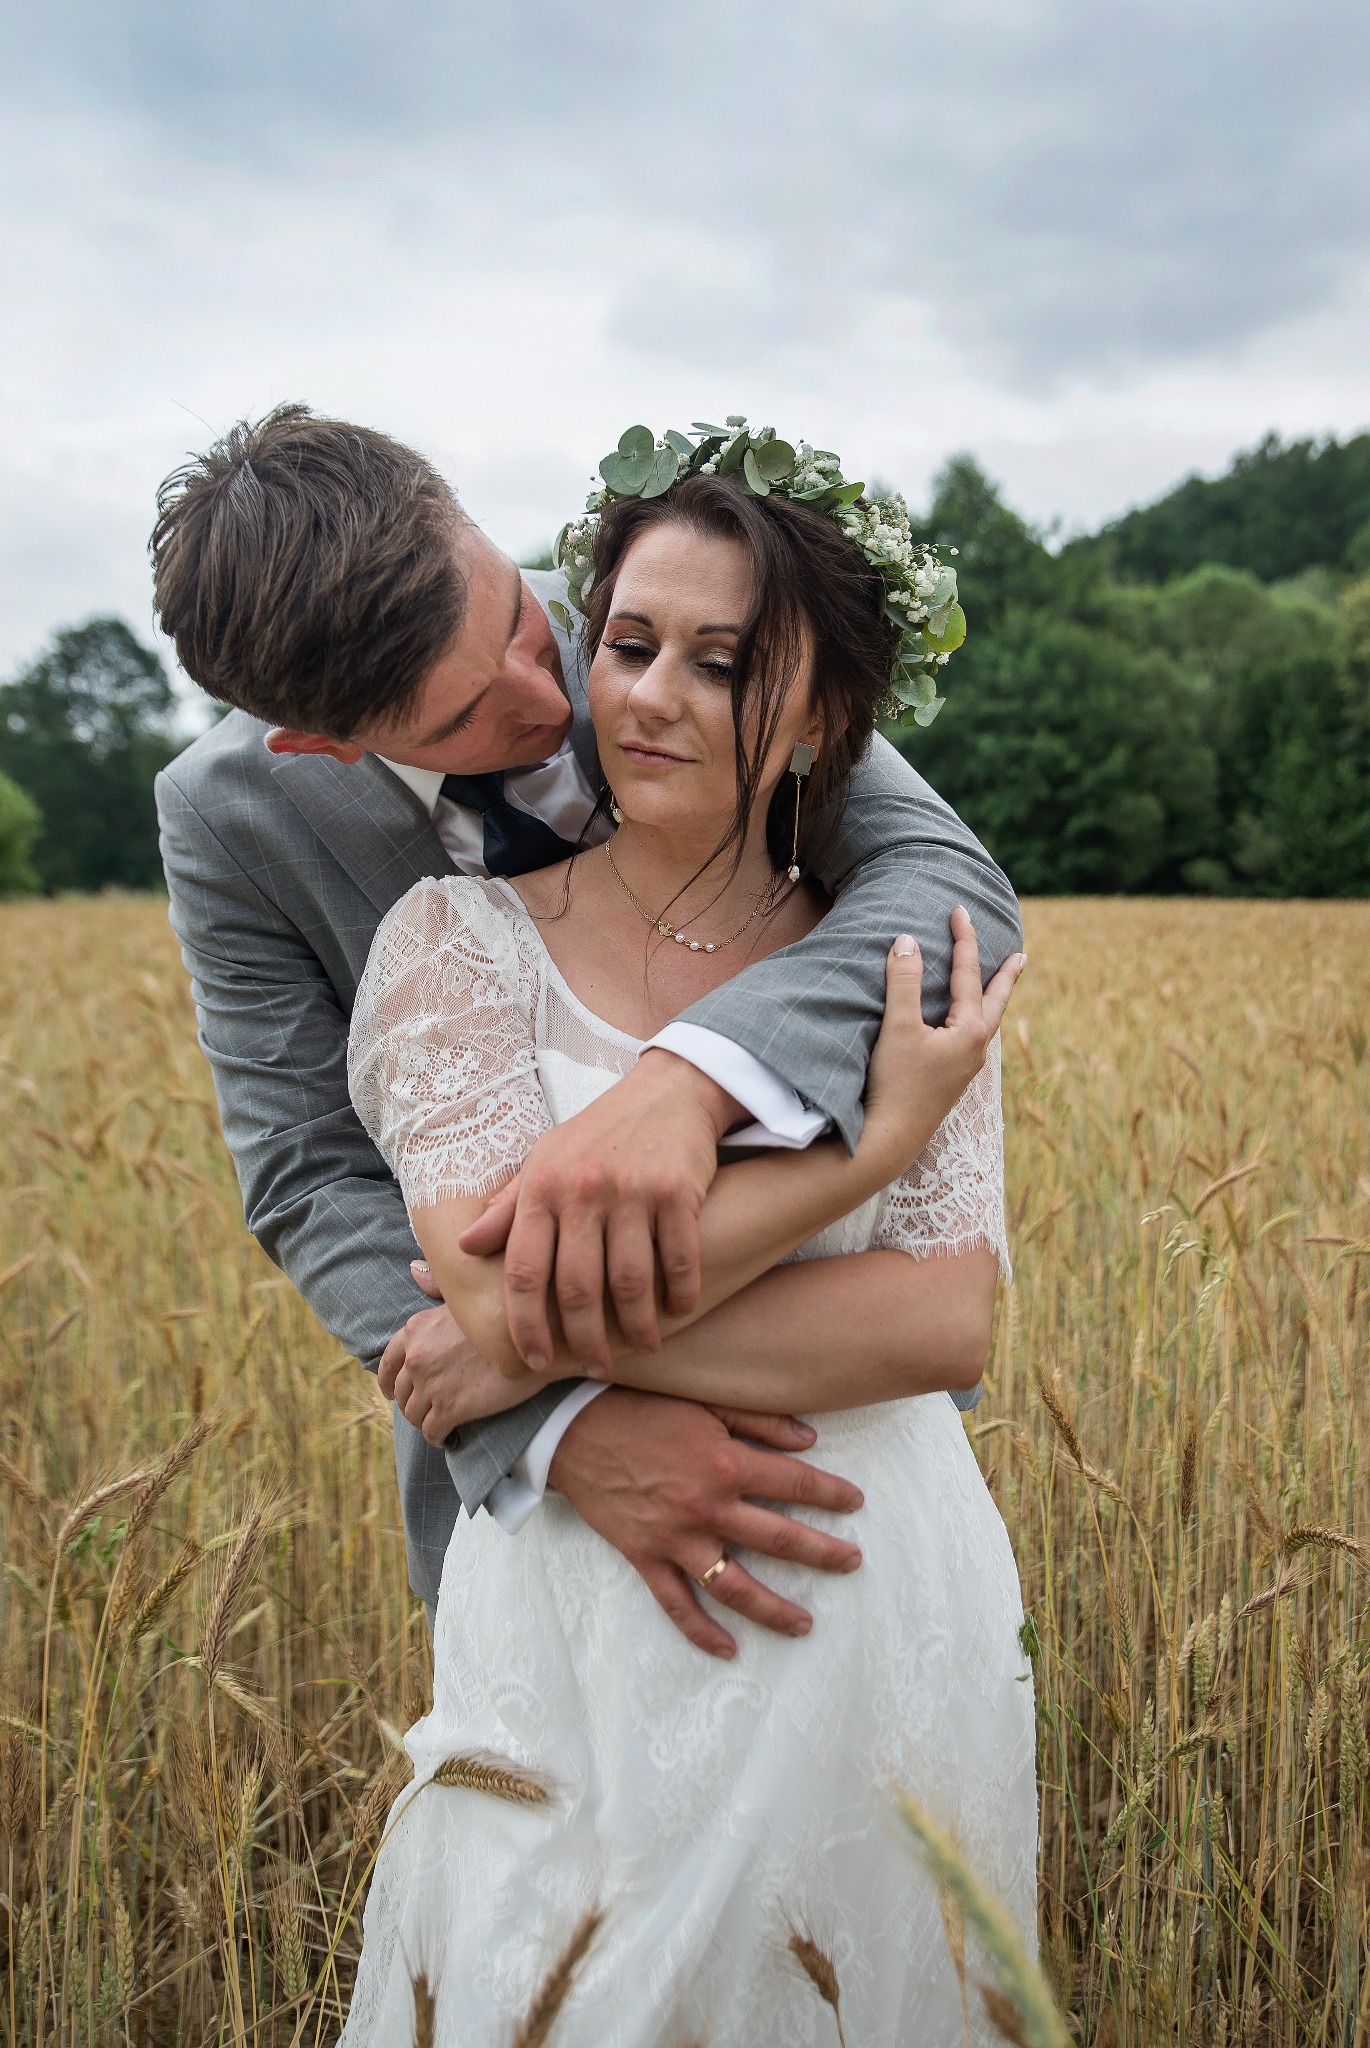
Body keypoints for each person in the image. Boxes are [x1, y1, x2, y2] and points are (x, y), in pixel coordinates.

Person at [340, 466, 1034, 2045]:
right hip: (572, 1615)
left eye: (720, 663)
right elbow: (488, 1284)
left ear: (821, 722)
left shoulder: (902, 965)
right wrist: (863, 1150)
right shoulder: (453, 947)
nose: (647, 696)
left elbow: (939, 1321)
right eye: (627, 641)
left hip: (870, 1594)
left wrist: (522, 1341)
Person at [152, 405, 1023, 1652]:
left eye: (516, 616)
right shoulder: (231, 817)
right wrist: (554, 1422)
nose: (550, 692)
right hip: (547, 1532)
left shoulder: (655, 611)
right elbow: (304, 1168)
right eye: (460, 716)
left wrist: (688, 1083)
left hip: (852, 1498)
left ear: (467, 523)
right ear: (320, 745)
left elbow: (945, 885)